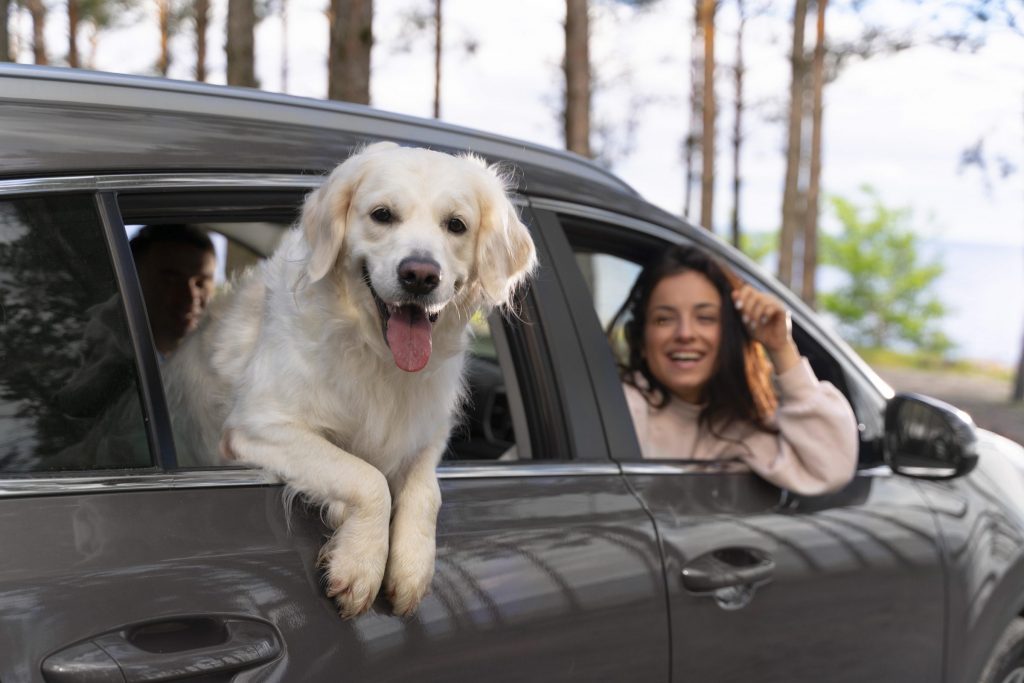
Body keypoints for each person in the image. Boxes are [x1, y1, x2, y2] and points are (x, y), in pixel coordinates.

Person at [610, 244, 857, 496]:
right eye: (664, 319)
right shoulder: (620, 409)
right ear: (641, 339)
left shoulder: (740, 426)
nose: (684, 333)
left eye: (705, 318)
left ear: (730, 334)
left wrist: (781, 349)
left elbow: (831, 469)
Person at [129, 224, 217, 357]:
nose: (190, 296)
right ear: (132, 280)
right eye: (171, 281)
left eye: (201, 283)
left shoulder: (216, 364)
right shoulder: (104, 361)